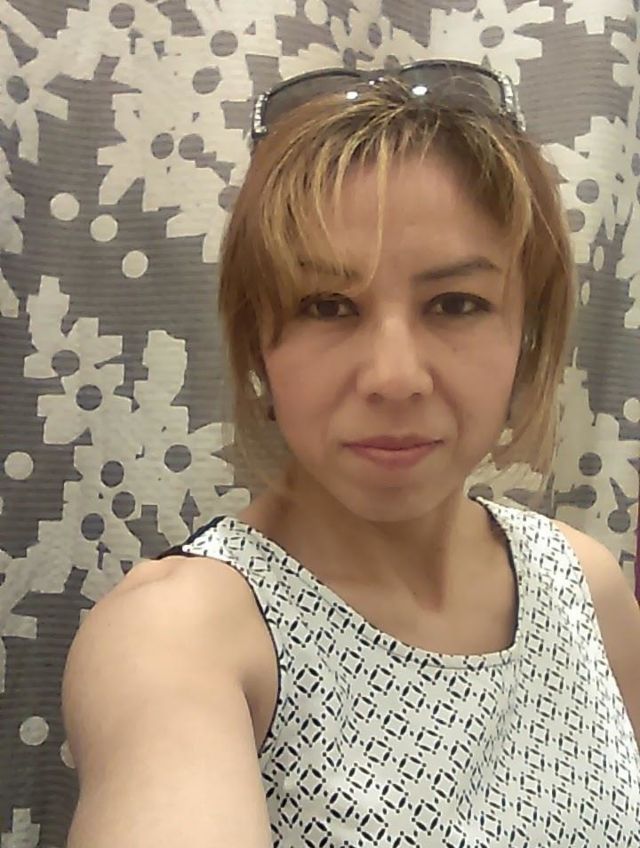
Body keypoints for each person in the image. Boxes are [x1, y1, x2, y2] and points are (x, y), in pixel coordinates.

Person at [62, 60, 640, 847]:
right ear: (258, 344)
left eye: (456, 303)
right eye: (326, 306)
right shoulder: (179, 632)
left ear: (525, 336)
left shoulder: (586, 589)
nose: (394, 377)